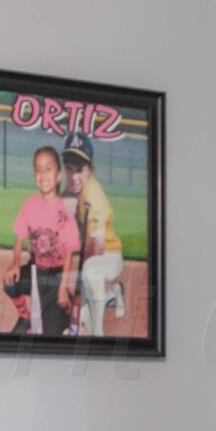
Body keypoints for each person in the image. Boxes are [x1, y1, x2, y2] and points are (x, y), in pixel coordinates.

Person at [4, 145, 77, 335]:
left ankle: (70, 306)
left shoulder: (65, 210)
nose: (42, 174)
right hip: (35, 271)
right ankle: (25, 316)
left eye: (48, 168)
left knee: (50, 333)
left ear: (59, 175)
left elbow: (69, 251)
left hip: (56, 277)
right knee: (10, 282)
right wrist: (15, 263)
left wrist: (63, 287)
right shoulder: (30, 204)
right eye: (37, 169)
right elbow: (20, 235)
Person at [65, 141, 128, 336]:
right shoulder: (78, 189)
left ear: (90, 169)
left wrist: (78, 278)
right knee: (82, 315)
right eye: (69, 169)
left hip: (108, 256)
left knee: (90, 274)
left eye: (80, 169)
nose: (74, 176)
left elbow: (97, 247)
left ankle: (98, 334)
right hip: (94, 257)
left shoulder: (93, 195)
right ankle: (113, 293)